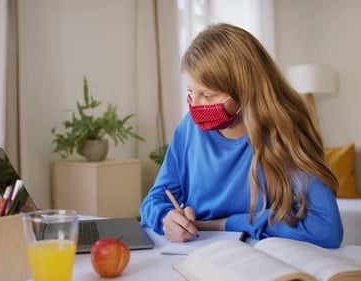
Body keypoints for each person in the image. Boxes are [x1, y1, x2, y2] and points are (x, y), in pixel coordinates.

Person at [139, 23, 343, 248]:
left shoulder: (284, 133)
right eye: (190, 92)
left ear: (246, 91)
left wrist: (224, 224)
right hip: (198, 255)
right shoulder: (189, 129)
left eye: (207, 95)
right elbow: (154, 201)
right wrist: (165, 218)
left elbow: (326, 229)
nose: (194, 105)